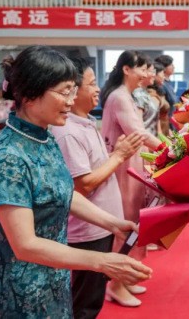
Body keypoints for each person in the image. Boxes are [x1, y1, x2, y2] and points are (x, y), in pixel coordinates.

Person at [0, 46, 152, 318]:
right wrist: (101, 261)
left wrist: (112, 224)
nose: (72, 101)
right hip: (19, 292)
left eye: (73, 90)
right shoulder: (7, 156)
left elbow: (64, 192)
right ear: (30, 94)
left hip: (54, 279)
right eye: (64, 92)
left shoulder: (45, 138)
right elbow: (25, 244)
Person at [50, 57, 147, 315]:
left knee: (91, 297)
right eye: (91, 84)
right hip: (87, 230)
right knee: (84, 303)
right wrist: (119, 156)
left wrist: (116, 154)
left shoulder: (84, 122)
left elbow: (92, 169)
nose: (97, 89)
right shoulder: (67, 132)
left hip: (101, 224)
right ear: (71, 90)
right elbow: (83, 185)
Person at [100, 50, 163, 306]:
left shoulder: (128, 96)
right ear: (126, 69)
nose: (147, 74)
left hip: (133, 163)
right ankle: (115, 284)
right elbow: (138, 133)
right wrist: (169, 150)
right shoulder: (119, 97)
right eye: (142, 68)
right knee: (125, 224)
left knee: (135, 220)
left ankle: (124, 278)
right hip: (124, 167)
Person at [133, 55, 161, 137]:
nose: (154, 74)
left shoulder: (144, 93)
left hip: (152, 139)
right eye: (151, 71)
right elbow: (139, 127)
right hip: (145, 140)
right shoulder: (137, 94)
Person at [147, 61, 171, 136]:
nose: (164, 76)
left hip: (164, 129)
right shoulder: (151, 93)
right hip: (157, 132)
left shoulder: (159, 91)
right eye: (162, 73)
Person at [154, 54, 178, 121]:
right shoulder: (161, 85)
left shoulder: (168, 83)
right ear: (163, 67)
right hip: (166, 122)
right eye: (171, 65)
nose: (174, 67)